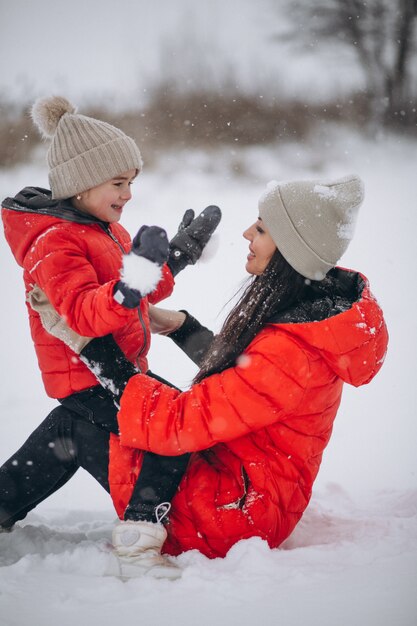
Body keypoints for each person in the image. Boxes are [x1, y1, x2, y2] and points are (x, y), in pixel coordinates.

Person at [1, 173, 388, 580]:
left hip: (231, 515)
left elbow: (181, 422)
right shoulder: (311, 313)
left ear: (290, 249)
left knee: (76, 421)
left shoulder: (292, 353)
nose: (246, 233)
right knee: (121, 409)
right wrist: (181, 326)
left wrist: (91, 349)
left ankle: (130, 537)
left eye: (260, 228)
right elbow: (246, 380)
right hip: (245, 486)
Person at [0, 96, 221, 578]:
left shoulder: (106, 231)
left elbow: (139, 294)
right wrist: (127, 285)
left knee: (63, 435)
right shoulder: (54, 243)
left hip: (116, 371)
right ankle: (139, 542)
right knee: (170, 429)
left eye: (131, 183)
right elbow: (83, 313)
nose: (128, 194)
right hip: (86, 373)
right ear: (81, 183)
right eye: (119, 183)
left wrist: (174, 259)